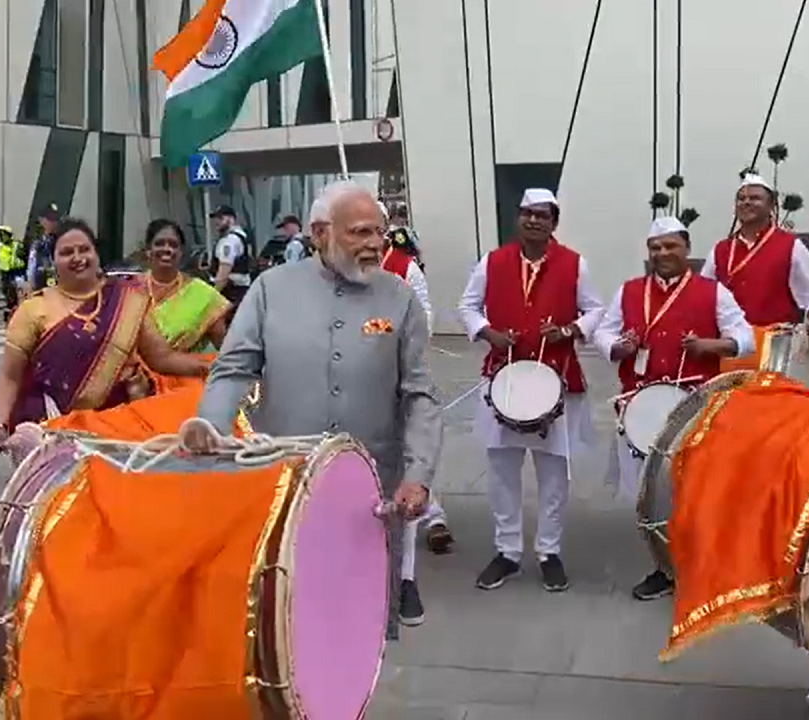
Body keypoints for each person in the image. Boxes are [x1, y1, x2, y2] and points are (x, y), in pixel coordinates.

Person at [186, 180, 441, 635]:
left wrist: (417, 475)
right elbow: (233, 368)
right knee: (286, 625)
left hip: (370, 494)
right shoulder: (271, 289)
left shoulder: (399, 298)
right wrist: (210, 423)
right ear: (319, 233)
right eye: (359, 233)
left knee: (358, 632)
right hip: (285, 487)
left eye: (377, 233)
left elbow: (420, 394)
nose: (373, 244)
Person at [593, 216, 756, 601]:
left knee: (694, 492)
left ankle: (698, 565)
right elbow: (604, 331)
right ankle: (664, 567)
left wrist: (712, 346)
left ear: (686, 248)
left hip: (692, 407)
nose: (663, 253)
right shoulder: (630, 290)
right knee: (648, 496)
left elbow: (745, 337)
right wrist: (618, 346)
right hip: (639, 407)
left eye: (671, 246)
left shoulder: (711, 292)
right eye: (656, 248)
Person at [457, 187, 605, 593]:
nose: (534, 220)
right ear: (518, 218)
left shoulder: (576, 264)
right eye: (527, 214)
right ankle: (507, 551)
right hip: (503, 376)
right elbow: (467, 306)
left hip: (555, 377)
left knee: (554, 473)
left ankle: (549, 551)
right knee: (502, 470)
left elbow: (595, 310)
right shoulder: (492, 262)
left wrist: (571, 330)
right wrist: (486, 331)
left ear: (554, 222)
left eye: (543, 215)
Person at [0, 218, 209, 450]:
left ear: (96, 254)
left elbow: (163, 358)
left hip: (119, 429)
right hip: (55, 432)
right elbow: (10, 376)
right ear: (54, 261)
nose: (78, 257)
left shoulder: (127, 300)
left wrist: (212, 368)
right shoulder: (33, 310)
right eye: (67, 252)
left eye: (84, 249)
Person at [376, 202, 454, 559]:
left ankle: (431, 515)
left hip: (401, 369)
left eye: (375, 228)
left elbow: (423, 315)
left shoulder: (404, 266)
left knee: (412, 445)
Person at [700, 173, 809, 366]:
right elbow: (703, 295)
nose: (746, 203)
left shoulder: (791, 246)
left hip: (775, 349)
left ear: (770, 206)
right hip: (731, 346)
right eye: (741, 199)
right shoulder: (720, 250)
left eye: (754, 198)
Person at [140, 219, 230, 352]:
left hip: (184, 370)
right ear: (148, 250)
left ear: (181, 252)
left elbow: (226, 352)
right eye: (159, 244)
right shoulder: (130, 289)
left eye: (173, 245)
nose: (167, 249)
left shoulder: (203, 296)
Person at [208, 205, 252, 311]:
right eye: (216, 218)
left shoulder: (230, 241)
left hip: (230, 294)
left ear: (231, 219)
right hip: (237, 293)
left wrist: (211, 298)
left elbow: (223, 274)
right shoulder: (240, 237)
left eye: (221, 218)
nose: (217, 222)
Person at [0, 225, 27, 322]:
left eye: (5, 235)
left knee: (18, 293)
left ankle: (20, 313)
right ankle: (10, 313)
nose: (3, 237)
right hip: (5, 273)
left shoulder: (17, 245)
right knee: (7, 293)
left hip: (17, 271)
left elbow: (25, 256)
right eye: (1, 235)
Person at [26, 204, 60, 292]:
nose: (53, 223)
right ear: (41, 220)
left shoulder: (60, 239)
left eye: (55, 220)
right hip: (39, 284)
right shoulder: (36, 240)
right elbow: (32, 263)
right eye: (50, 219)